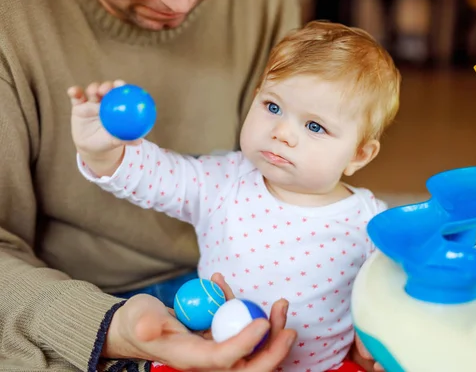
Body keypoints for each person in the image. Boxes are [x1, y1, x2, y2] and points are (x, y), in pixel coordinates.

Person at [0, 0, 306, 371]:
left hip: (233, 286)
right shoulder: (12, 9)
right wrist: (107, 327)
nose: (180, 2)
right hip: (71, 295)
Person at [69, 21, 401, 372]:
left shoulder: (370, 220)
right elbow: (156, 176)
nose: (282, 132)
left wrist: (381, 333)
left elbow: (390, 287)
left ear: (359, 155)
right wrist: (102, 152)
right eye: (273, 106)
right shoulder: (224, 181)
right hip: (215, 358)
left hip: (325, 366)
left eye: (314, 126)